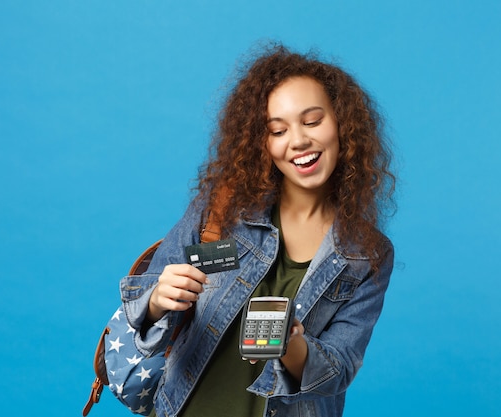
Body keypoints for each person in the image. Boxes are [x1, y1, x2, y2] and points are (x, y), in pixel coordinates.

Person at [121, 43, 396, 417]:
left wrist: (292, 344)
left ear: (342, 124)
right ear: (261, 142)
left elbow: (340, 367)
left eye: (313, 121)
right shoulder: (222, 211)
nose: (298, 140)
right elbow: (145, 305)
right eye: (277, 130)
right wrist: (157, 299)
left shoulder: (366, 253)